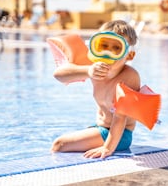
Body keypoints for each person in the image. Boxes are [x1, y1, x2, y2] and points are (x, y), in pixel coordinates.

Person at [51, 20, 140, 159]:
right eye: (103, 45)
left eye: (117, 48)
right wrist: (87, 71)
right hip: (100, 127)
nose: (107, 52)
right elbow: (59, 75)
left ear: (129, 55)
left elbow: (120, 117)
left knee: (59, 145)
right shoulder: (94, 67)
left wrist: (107, 148)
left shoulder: (129, 77)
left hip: (120, 134)